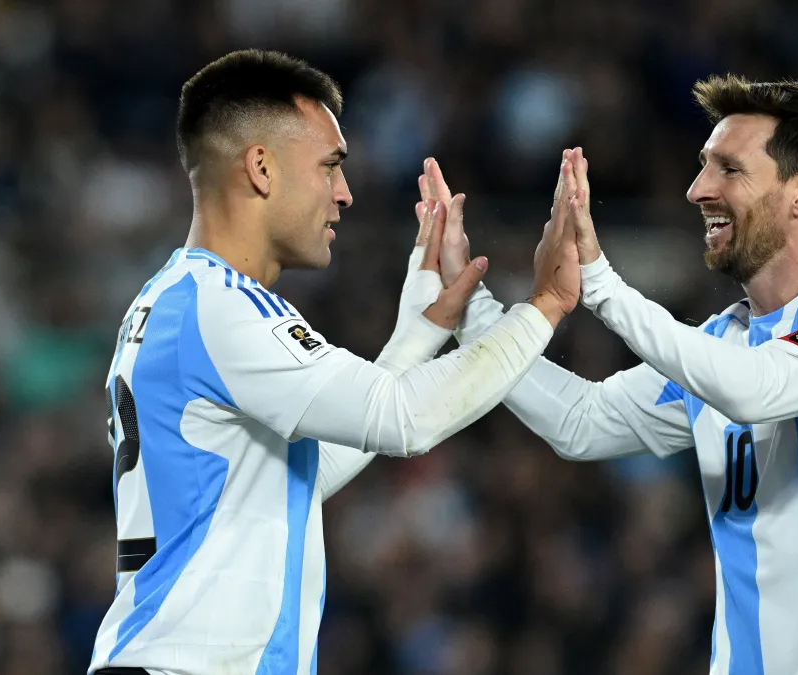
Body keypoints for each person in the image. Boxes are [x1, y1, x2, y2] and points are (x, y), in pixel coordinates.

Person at [424, 74, 798, 673]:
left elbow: (761, 389)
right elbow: (579, 421)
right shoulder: (719, 346)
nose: (698, 190)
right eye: (703, 167)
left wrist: (602, 285)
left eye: (730, 170)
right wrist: (471, 309)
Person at [89, 49, 581, 675]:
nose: (344, 194)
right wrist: (545, 305)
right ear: (261, 167)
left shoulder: (173, 300)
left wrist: (419, 335)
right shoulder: (223, 308)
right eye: (330, 166)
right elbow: (404, 418)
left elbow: (298, 476)